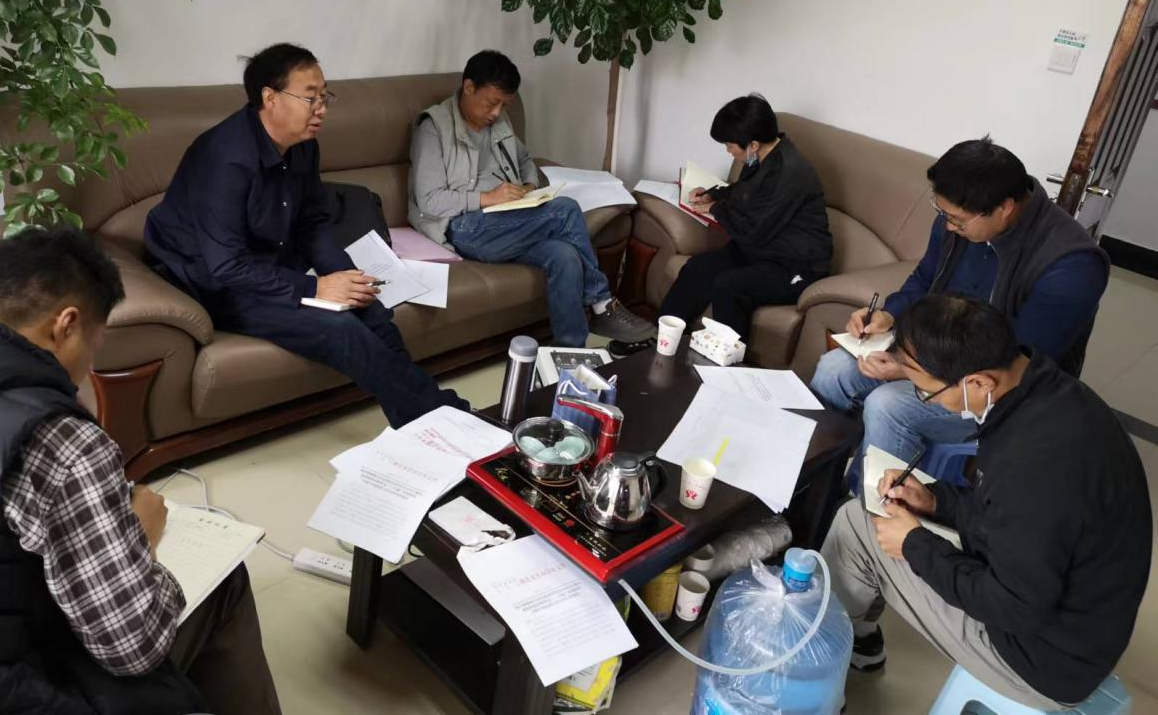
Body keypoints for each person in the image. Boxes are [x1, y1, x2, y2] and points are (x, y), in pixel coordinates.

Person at [0, 226, 281, 715]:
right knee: (224, 583)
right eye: (94, 347)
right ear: (66, 325)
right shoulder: (61, 440)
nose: (88, 370)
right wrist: (141, 537)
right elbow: (132, 647)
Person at [822, 294, 1150, 709]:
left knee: (856, 526)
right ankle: (854, 640)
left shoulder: (1034, 465)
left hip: (1040, 658)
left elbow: (1013, 607)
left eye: (925, 392)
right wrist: (935, 500)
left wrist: (914, 543)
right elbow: (1001, 516)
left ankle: (820, 662)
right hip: (1070, 616)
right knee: (883, 519)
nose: (927, 401)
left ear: (979, 383)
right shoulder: (1049, 395)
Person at [145, 42, 466, 428]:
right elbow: (226, 266)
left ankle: (420, 421)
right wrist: (316, 288)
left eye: (324, 96)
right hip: (212, 280)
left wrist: (345, 278)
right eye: (311, 98)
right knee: (339, 329)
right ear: (270, 98)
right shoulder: (225, 158)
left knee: (373, 311)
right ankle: (442, 420)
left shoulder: (303, 147)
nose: (322, 108)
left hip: (267, 264)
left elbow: (313, 222)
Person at [810, 138, 1109, 462]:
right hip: (929, 351)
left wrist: (912, 370)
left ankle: (875, 494)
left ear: (1005, 208)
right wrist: (889, 315)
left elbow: (1016, 363)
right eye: (943, 213)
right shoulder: (958, 222)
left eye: (957, 220)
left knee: (887, 405)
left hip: (996, 390)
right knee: (832, 370)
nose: (949, 226)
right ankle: (817, 476)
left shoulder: (1071, 265)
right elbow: (925, 278)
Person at [408, 49, 654, 347]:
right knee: (565, 210)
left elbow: (525, 158)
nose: (497, 113)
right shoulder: (433, 128)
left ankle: (569, 353)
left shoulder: (498, 122)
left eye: (504, 105)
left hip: (511, 221)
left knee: (565, 256)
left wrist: (528, 184)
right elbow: (429, 200)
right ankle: (602, 304)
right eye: (492, 103)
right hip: (463, 228)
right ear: (469, 87)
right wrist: (487, 198)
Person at [658, 94, 833, 337]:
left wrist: (716, 209)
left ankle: (726, 360)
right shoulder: (759, 158)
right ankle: (662, 338)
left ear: (753, 145)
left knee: (728, 286)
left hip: (796, 265)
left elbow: (753, 230)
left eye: (730, 145)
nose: (729, 151)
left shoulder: (791, 173)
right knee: (698, 268)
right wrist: (714, 195)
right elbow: (745, 193)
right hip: (762, 250)